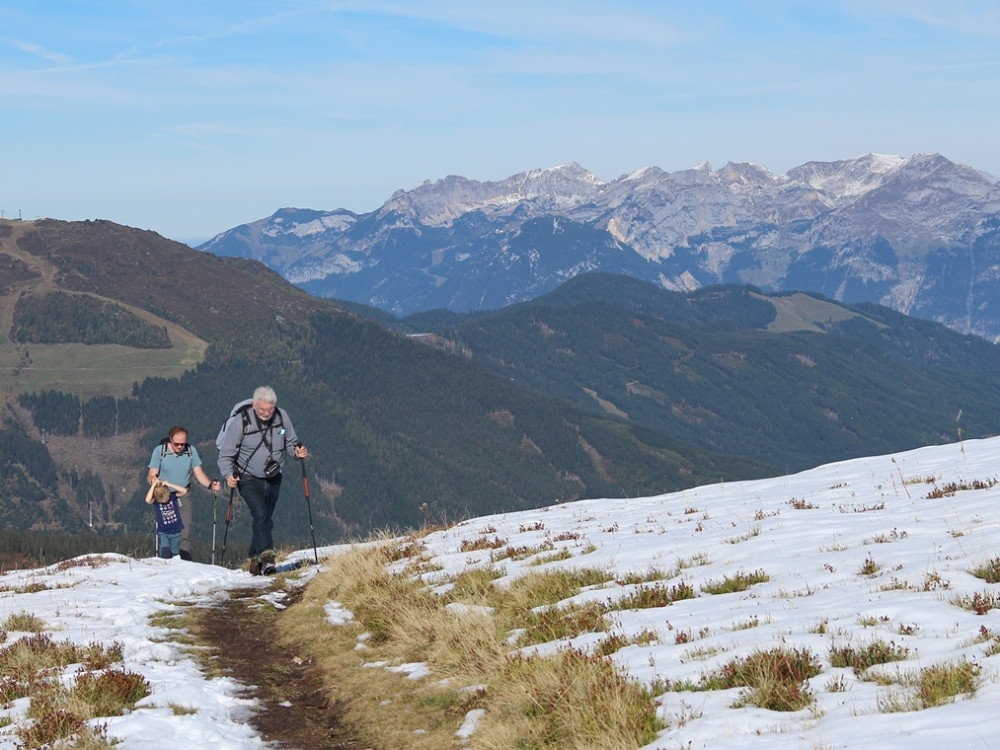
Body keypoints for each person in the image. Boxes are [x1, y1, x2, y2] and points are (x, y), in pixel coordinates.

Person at [216, 386, 308, 575]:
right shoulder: (242, 422)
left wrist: (297, 453)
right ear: (253, 405)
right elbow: (225, 455)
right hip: (247, 476)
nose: (267, 413)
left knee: (264, 517)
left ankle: (254, 559)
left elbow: (290, 442)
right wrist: (228, 475)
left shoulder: (282, 417)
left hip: (274, 476)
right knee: (260, 513)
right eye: (262, 410)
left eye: (270, 409)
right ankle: (267, 558)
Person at [147, 425, 222, 561]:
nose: (180, 446)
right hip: (165, 496)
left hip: (183, 494)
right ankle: (166, 562)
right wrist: (154, 482)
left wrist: (211, 485)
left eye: (183, 443)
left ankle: (185, 563)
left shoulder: (190, 451)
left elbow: (198, 474)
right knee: (166, 531)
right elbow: (151, 474)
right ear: (170, 439)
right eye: (177, 444)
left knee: (185, 532)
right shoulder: (160, 451)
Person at [145, 479, 187, 559]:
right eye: (163, 499)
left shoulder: (172, 497)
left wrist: (169, 484)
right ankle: (164, 566)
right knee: (165, 551)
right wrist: (154, 485)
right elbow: (147, 500)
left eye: (167, 497)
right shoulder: (156, 502)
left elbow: (184, 491)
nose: (166, 499)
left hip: (176, 531)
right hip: (163, 532)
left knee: (175, 553)